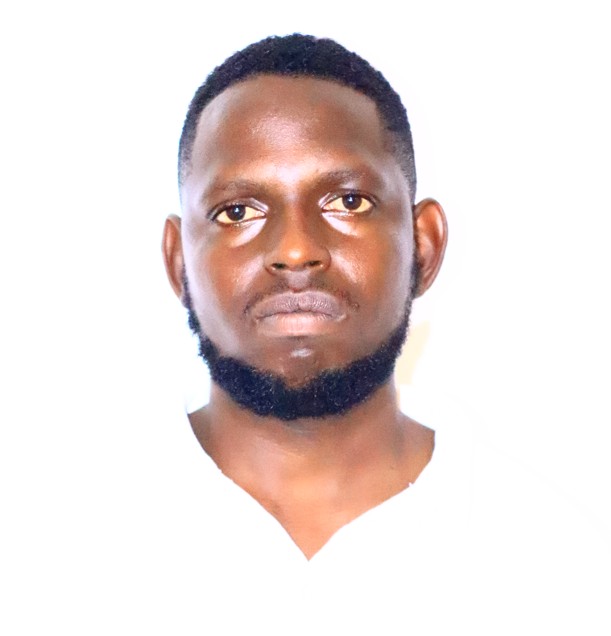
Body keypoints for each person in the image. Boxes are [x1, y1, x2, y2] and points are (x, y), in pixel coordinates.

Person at [160, 34, 609, 634]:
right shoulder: (58, 546)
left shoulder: (567, 571)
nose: (295, 249)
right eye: (238, 212)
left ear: (424, 246)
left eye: (348, 201)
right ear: (178, 262)